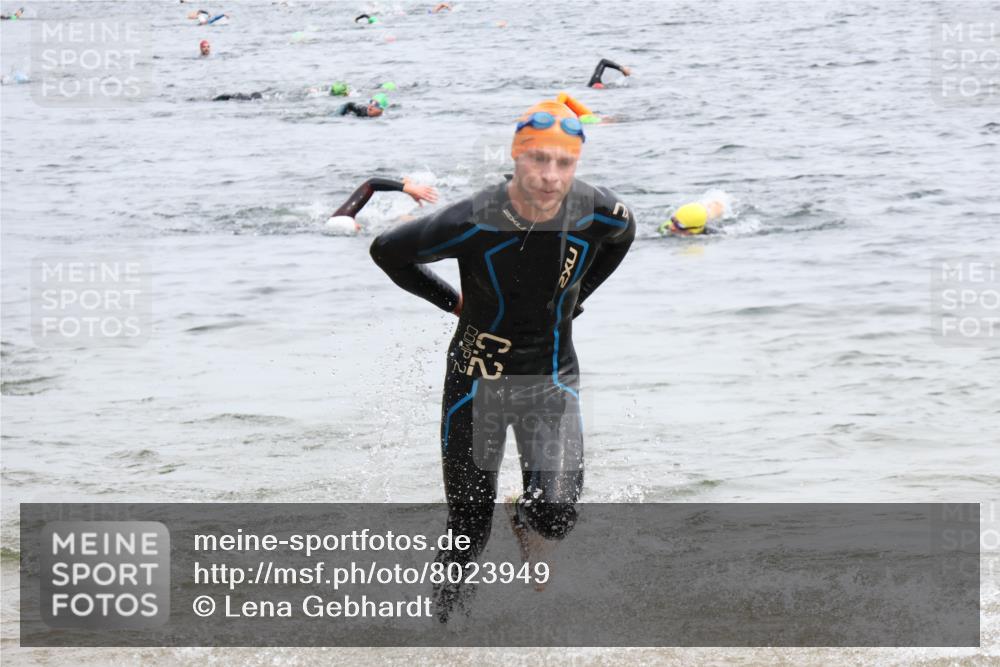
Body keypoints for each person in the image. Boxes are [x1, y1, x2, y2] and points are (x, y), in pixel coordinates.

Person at [369, 98, 635, 621]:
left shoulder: (600, 210)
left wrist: (577, 296)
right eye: (538, 160)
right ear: (517, 156)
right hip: (476, 379)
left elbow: (623, 237)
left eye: (564, 163)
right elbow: (386, 251)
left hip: (550, 375)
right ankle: (443, 637)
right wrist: (452, 301)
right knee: (468, 528)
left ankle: (526, 520)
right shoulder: (472, 219)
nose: (550, 176)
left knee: (555, 515)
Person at [325, 177, 438, 234]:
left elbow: (372, 183)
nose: (358, 227)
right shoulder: (344, 221)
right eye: (356, 228)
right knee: (403, 220)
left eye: (356, 226)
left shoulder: (343, 215)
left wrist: (408, 189)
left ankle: (406, 185)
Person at [658, 199, 726, 235]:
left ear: (693, 230)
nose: (672, 227)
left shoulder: (711, 234)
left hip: (703, 221)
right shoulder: (665, 227)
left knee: (713, 214)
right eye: (673, 220)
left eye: (679, 225)